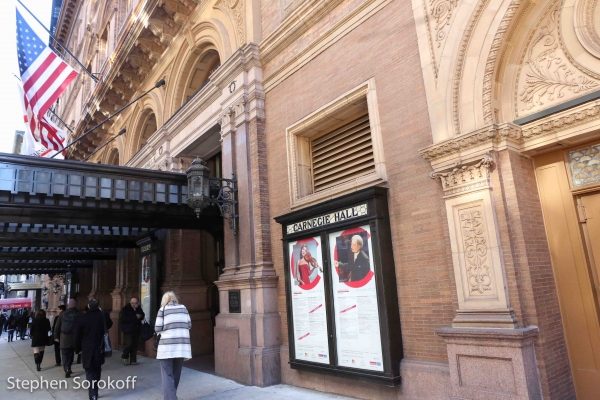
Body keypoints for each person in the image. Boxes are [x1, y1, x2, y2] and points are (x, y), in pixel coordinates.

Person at [155, 291, 192, 400]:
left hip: (166, 347)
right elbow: (189, 324)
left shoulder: (163, 310)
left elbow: (157, 328)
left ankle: (170, 398)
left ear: (164, 300)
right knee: (176, 373)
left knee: (167, 374)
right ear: (174, 299)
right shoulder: (183, 308)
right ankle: (171, 395)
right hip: (181, 347)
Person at [75, 299, 106, 400]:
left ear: (88, 306)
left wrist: (77, 348)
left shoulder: (83, 317)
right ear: (98, 306)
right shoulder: (102, 315)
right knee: (97, 369)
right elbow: (109, 324)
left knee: (89, 370)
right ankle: (95, 391)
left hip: (87, 348)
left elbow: (78, 334)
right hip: (99, 347)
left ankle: (92, 394)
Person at [54, 299, 79, 378]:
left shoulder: (62, 314)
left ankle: (66, 368)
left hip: (64, 338)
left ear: (68, 305)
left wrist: (56, 336)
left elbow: (57, 327)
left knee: (65, 354)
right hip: (74, 337)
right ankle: (69, 367)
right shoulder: (78, 314)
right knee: (71, 354)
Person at [119, 297, 144, 365]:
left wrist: (140, 316)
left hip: (136, 329)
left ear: (138, 303)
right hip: (128, 329)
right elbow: (123, 318)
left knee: (135, 344)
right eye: (132, 303)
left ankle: (133, 360)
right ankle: (125, 356)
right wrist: (135, 317)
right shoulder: (126, 309)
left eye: (135, 303)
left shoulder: (138, 308)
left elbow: (142, 315)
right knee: (129, 344)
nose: (133, 305)